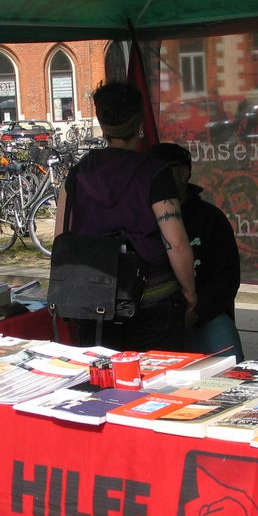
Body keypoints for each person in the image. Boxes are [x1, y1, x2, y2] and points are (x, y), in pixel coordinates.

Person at [54, 81, 197, 351]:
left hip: (93, 303)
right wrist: (190, 294)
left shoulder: (77, 173)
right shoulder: (155, 174)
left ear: (102, 122)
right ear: (138, 122)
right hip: (152, 304)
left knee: (102, 385)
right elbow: (176, 243)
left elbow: (62, 238)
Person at [151, 142, 243, 360]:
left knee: (230, 361)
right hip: (155, 319)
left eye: (163, 170)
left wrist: (196, 311)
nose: (155, 178)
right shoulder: (142, 218)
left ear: (183, 174)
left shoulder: (211, 219)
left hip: (205, 316)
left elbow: (227, 279)